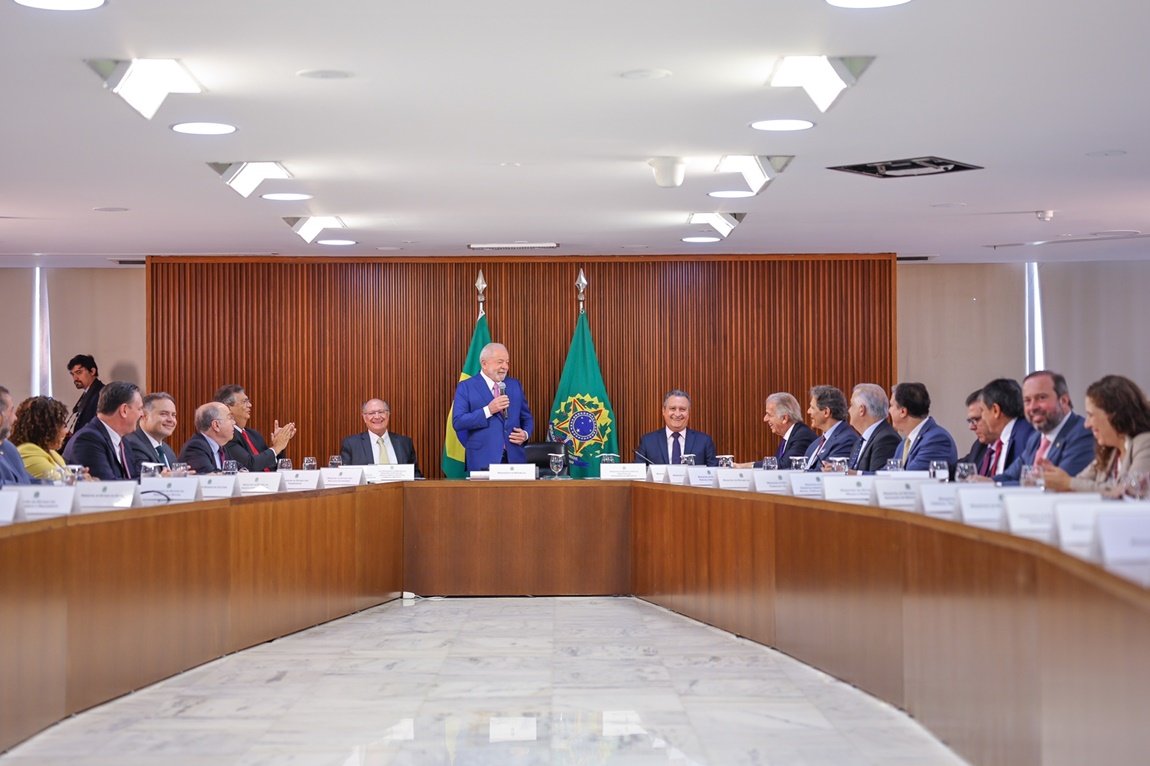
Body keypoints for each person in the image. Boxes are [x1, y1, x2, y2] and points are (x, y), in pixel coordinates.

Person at [1040, 375, 1150, 493]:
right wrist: (1053, 477)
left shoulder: (1145, 443)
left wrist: (1068, 483)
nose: (1086, 425)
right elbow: (1079, 482)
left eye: (1091, 415)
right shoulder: (1109, 451)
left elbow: (1131, 490)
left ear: (1114, 415)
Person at [995, 370, 1095, 484]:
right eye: (1027, 401)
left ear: (1064, 400)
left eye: (1041, 397)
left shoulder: (1083, 434)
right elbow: (1009, 477)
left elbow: (1058, 484)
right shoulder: (1036, 438)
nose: (1032, 407)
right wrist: (986, 483)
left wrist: (996, 485)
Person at [452, 342, 534, 471]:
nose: (505, 367)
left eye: (507, 362)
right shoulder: (466, 387)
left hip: (514, 459)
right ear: (484, 364)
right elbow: (458, 422)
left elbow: (527, 418)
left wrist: (525, 434)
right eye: (500, 362)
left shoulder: (514, 385)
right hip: (482, 458)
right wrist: (488, 410)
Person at [62, 381, 144, 480]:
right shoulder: (88, 440)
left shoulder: (123, 442)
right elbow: (107, 484)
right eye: (139, 409)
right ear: (124, 410)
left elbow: (134, 477)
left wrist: (155, 480)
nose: (142, 414)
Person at [213, 385, 296, 471]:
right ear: (228, 408)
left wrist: (280, 443)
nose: (250, 405)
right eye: (244, 402)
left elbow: (271, 466)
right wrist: (276, 447)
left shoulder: (254, 435)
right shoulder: (227, 436)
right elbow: (249, 465)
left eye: (248, 401)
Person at [340, 398, 423, 477]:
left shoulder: (405, 443)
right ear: (364, 418)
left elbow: (416, 477)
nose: (377, 417)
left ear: (388, 415)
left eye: (381, 412)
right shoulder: (351, 444)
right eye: (371, 413)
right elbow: (347, 478)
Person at [634, 390, 717, 466]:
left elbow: (713, 472)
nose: (677, 414)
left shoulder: (704, 441)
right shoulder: (648, 441)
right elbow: (638, 473)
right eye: (673, 409)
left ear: (688, 412)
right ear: (663, 411)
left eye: (682, 409)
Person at [887, 382, 958, 471]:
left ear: (903, 412)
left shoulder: (937, 440)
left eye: (891, 405)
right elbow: (885, 473)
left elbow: (912, 475)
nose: (889, 410)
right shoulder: (903, 445)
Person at [975, 378, 1034, 478]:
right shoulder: (1003, 438)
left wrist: (992, 483)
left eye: (982, 411)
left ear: (995, 410)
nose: (982, 417)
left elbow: (1028, 480)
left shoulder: (1027, 435)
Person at [845, 383, 901, 472]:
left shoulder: (886, 439)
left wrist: (844, 472)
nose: (849, 410)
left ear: (861, 410)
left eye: (851, 405)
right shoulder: (860, 441)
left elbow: (877, 477)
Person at [803, 385, 860, 471]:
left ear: (826, 412)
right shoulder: (815, 444)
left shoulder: (846, 440)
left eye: (812, 408)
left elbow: (824, 473)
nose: (808, 411)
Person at [11, 396, 69, 480]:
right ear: (45, 428)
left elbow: (70, 479)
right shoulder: (27, 451)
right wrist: (80, 480)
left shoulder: (52, 453)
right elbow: (60, 482)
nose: (66, 431)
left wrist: (82, 478)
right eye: (62, 425)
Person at [124, 392, 180, 475]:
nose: (171, 420)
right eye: (164, 414)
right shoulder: (133, 444)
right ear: (145, 416)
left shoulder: (167, 450)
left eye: (173, 415)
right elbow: (142, 479)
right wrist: (162, 479)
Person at [177, 402, 237, 474]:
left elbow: (237, 468)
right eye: (230, 418)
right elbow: (210, 476)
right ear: (216, 425)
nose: (234, 422)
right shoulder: (196, 447)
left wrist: (243, 471)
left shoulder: (222, 448)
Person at [0, 386, 35, 485]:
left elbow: (29, 481)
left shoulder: (8, 448)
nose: (15, 418)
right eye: (11, 411)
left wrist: (65, 483)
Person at [65, 354, 103, 437]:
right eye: (72, 374)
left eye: (79, 372)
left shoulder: (102, 394)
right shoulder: (89, 392)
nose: (75, 378)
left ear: (92, 371)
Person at [958, 389, 989, 468]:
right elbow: (960, 467)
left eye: (976, 419)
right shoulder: (979, 445)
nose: (971, 427)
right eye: (970, 421)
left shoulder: (1015, 445)